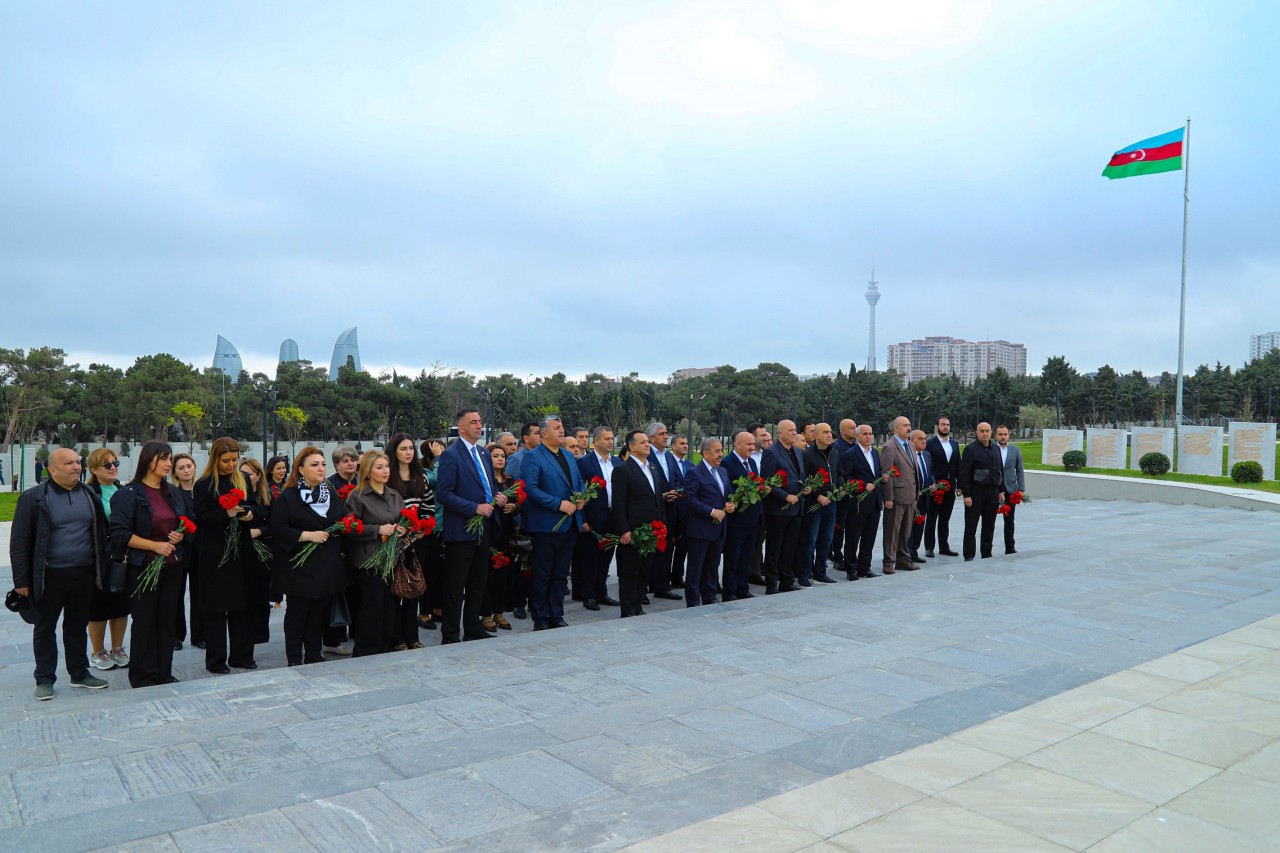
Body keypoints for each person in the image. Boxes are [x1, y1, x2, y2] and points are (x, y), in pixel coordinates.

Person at [10, 447, 111, 700]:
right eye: (69, 463)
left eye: (78, 462)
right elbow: (19, 542)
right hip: (48, 576)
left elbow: (100, 535)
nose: (76, 466)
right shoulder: (34, 498)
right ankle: (44, 679)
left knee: (77, 626)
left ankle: (79, 673)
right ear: (51, 469)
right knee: (44, 627)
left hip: (84, 575)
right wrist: (21, 581)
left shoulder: (90, 495)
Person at [109, 441, 192, 688]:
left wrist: (182, 534)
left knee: (167, 621)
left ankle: (163, 673)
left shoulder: (173, 492)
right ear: (148, 460)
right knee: (145, 622)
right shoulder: (128, 494)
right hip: (143, 568)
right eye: (164, 459)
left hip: (172, 567)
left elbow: (188, 521)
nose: (169, 464)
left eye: (170, 459)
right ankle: (143, 676)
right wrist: (154, 546)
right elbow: (120, 535)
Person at [268, 446, 350, 665]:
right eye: (314, 464)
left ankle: (314, 654)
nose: (321, 468)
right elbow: (277, 527)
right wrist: (306, 535)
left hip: (325, 565)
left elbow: (338, 519)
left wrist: (344, 525)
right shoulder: (289, 496)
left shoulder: (329, 492)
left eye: (323, 464)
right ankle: (294, 658)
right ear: (301, 469)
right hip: (300, 567)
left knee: (318, 614)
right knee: (298, 614)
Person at [436, 409, 508, 642]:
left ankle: (472, 626)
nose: (479, 426)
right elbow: (444, 494)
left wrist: (498, 496)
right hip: (461, 530)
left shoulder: (483, 453)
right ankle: (450, 633)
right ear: (461, 428)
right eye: (473, 422)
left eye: (480, 421)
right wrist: (474, 508)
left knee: (479, 581)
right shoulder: (451, 454)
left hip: (483, 528)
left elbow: (487, 486)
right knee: (456, 585)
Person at [193, 437, 262, 674]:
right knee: (216, 608)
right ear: (215, 459)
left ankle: (242, 656)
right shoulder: (204, 484)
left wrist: (250, 514)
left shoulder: (242, 479)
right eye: (226, 461)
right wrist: (226, 513)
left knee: (243, 605)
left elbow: (255, 506)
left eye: (234, 460)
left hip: (241, 550)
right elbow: (200, 518)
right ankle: (216, 660)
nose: (231, 465)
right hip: (215, 553)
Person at [521, 415, 586, 630]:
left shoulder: (568, 456)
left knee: (560, 574)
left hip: (570, 524)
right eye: (556, 428)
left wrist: (582, 496)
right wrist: (559, 504)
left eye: (562, 427)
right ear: (544, 433)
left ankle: (556, 615)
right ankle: (540, 618)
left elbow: (577, 482)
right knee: (543, 573)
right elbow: (531, 489)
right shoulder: (533, 457)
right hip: (546, 525)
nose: (561, 431)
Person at [343, 450, 406, 656]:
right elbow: (350, 528)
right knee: (372, 605)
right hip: (368, 560)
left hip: (393, 558)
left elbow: (402, 521)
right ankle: (367, 648)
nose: (385, 470)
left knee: (390, 604)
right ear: (368, 472)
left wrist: (404, 531)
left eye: (386, 466)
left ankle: (385, 645)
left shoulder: (395, 495)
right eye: (379, 467)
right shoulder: (357, 496)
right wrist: (377, 530)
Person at [609, 430, 666, 617]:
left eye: (648, 442)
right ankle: (627, 609)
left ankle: (638, 604)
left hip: (652, 531)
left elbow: (658, 499)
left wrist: (662, 526)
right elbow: (618, 504)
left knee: (644, 570)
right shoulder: (622, 470)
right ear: (632, 447)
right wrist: (624, 530)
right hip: (633, 531)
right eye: (643, 442)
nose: (647, 444)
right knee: (629, 572)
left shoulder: (653, 469)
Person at [85, 448, 130, 671]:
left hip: (122, 555)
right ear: (93, 469)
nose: (113, 468)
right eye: (107, 465)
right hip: (97, 557)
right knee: (98, 605)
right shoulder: (88, 492)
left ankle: (118, 647)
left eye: (115, 463)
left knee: (121, 604)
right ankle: (97, 650)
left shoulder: (121, 490)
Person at [384, 432, 428, 651]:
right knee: (395, 591)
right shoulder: (388, 477)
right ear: (394, 451)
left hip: (417, 541)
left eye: (411, 448)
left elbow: (428, 505)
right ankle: (396, 638)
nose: (408, 452)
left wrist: (423, 526)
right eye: (403, 449)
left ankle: (412, 636)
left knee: (413, 590)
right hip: (393, 541)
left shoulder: (421, 476)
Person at [682, 437, 734, 606]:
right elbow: (690, 499)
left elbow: (725, 494)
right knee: (696, 567)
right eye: (717, 451)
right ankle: (693, 600)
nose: (721, 454)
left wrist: (730, 504)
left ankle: (709, 595)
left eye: (722, 450)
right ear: (705, 453)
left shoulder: (723, 471)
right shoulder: (694, 472)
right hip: (700, 528)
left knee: (712, 565)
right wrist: (711, 512)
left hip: (719, 529)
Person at [573, 426, 620, 611]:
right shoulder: (585, 463)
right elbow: (579, 491)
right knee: (590, 559)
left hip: (612, 517)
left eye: (612, 438)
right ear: (596, 441)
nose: (610, 442)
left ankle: (602, 593)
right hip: (593, 518)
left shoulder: (616, 462)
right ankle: (589, 595)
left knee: (606, 559)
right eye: (606, 439)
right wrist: (583, 518)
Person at [761, 419, 809, 594]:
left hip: (797, 508)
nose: (794, 433)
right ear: (780, 433)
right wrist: (784, 496)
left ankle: (787, 580)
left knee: (790, 547)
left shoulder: (797, 452)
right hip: (778, 509)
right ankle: (772, 582)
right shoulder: (771, 453)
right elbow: (766, 482)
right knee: (775, 547)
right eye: (790, 430)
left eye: (796, 429)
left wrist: (805, 487)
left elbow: (799, 475)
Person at [481, 445, 519, 631]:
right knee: (488, 576)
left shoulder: (509, 481)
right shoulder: (485, 480)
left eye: (502, 456)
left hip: (506, 532)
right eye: (495, 456)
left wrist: (515, 508)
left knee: (503, 575)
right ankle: (486, 614)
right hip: (489, 532)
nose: (500, 459)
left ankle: (499, 612)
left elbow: (518, 502)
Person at [240, 456, 278, 644]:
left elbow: (276, 524)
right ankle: (244, 631)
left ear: (258, 475)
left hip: (264, 550)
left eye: (249, 474)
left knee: (262, 595)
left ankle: (261, 633)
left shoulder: (267, 496)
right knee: (245, 594)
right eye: (242, 473)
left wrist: (258, 531)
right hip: (243, 550)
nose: (245, 477)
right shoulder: (238, 496)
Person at [644, 422, 683, 601]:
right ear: (651, 438)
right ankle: (643, 588)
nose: (666, 436)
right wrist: (661, 496)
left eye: (666, 433)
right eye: (661, 434)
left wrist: (676, 492)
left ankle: (662, 586)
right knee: (649, 549)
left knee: (666, 548)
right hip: (652, 509)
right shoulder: (646, 454)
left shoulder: (668, 456)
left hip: (670, 508)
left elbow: (674, 478)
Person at [841, 424, 885, 579]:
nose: (868, 437)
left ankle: (864, 567)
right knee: (853, 537)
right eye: (865, 434)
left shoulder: (874, 452)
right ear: (857, 436)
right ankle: (851, 569)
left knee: (869, 537)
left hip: (874, 502)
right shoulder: (850, 454)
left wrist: (882, 478)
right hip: (858, 504)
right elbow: (845, 478)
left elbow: (875, 473)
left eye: (870, 433)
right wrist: (862, 486)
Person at [799, 422, 841, 585]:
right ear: (815, 435)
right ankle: (804, 574)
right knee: (810, 540)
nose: (829, 435)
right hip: (814, 504)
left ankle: (820, 572)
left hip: (831, 502)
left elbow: (840, 474)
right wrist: (817, 496)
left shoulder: (835, 453)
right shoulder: (807, 455)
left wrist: (839, 489)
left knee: (826, 540)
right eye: (825, 432)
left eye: (830, 432)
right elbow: (804, 479)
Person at [720, 430, 760, 601]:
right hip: (736, 519)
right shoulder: (728, 463)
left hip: (752, 518)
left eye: (753, 444)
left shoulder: (751, 462)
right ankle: (730, 591)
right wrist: (743, 493)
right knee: (733, 557)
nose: (752, 447)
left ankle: (743, 588)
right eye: (748, 444)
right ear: (737, 445)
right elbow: (727, 489)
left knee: (746, 556)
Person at [959, 422, 1005, 561]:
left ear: (991, 432)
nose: (985, 434)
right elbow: (964, 473)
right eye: (982, 431)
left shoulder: (996, 449)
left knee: (989, 525)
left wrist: (1001, 490)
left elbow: (1000, 470)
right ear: (977, 433)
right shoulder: (970, 449)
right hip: (975, 492)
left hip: (992, 492)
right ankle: (969, 554)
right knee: (971, 526)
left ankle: (986, 552)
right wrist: (967, 494)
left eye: (987, 431)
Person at [879, 416, 920, 573]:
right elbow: (886, 473)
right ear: (896, 428)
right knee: (892, 530)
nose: (908, 428)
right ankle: (888, 562)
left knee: (906, 530)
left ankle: (903, 559)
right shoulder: (890, 447)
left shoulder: (910, 445)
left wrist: (917, 493)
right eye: (905, 425)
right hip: (896, 497)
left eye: (909, 425)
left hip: (910, 495)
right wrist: (888, 497)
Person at [416, 438, 447, 633]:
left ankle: (438, 608)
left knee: (442, 572)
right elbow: (437, 480)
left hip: (445, 527)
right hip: (429, 528)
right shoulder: (423, 472)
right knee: (429, 572)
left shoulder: (438, 465)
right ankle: (424, 612)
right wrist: (439, 459)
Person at [171, 452, 199, 651]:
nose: (186, 470)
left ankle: (200, 635)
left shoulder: (203, 490)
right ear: (174, 473)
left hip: (200, 549)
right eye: (181, 468)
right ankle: (176, 635)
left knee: (200, 594)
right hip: (181, 549)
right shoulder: (173, 493)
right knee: (176, 594)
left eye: (189, 466)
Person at [924, 417, 961, 558]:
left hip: (950, 487)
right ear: (937, 426)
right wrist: (932, 483)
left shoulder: (954, 444)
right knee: (932, 518)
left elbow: (958, 465)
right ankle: (929, 547)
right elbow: (928, 466)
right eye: (943, 424)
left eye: (948, 425)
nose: (945, 427)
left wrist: (959, 485)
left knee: (945, 519)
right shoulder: (930, 444)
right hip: (935, 488)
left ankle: (944, 547)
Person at [829, 419, 858, 568]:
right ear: (842, 431)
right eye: (851, 428)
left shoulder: (855, 446)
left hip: (854, 494)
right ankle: (837, 556)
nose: (855, 430)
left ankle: (849, 556)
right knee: (839, 527)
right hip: (841, 494)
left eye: (855, 427)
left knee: (851, 527)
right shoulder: (836, 448)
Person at [668, 434, 694, 590]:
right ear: (673, 446)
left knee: (683, 546)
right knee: (669, 547)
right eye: (681, 443)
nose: (685, 446)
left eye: (686, 443)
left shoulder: (690, 464)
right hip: (673, 508)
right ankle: (662, 578)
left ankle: (677, 576)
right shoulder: (668, 462)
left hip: (687, 511)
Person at [907, 430, 936, 565]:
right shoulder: (908, 456)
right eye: (920, 439)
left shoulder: (927, 454)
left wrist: (933, 483)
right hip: (911, 497)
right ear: (912, 441)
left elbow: (930, 473)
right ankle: (906, 552)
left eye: (924, 438)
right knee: (909, 526)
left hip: (925, 497)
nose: (924, 441)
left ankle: (914, 551)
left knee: (919, 524)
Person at [996, 425, 1026, 554]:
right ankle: (987, 549)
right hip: (994, 489)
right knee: (989, 520)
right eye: (1000, 434)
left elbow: (1019, 470)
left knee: (1009, 521)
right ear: (995, 435)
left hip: (1010, 489)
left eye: (1005, 434)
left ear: (1008, 435)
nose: (1003, 437)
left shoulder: (1015, 450)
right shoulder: (991, 449)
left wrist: (1021, 489)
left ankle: (1010, 547)